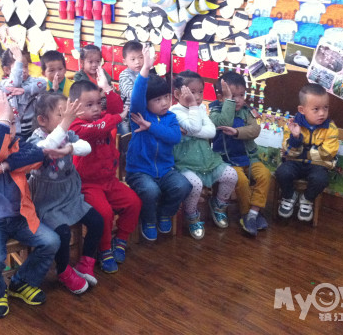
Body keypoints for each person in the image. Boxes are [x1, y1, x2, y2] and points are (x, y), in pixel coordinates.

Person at [0, 90, 59, 319]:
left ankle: (20, 283)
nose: (10, 130)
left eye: (12, 123)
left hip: (19, 218)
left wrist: (5, 166)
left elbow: (38, 156)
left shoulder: (17, 144)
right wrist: (5, 120)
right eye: (3, 123)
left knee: (51, 242)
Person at [27, 93, 103, 293]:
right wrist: (66, 124)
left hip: (69, 194)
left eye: (68, 115)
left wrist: (69, 148)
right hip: (46, 200)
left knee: (97, 221)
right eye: (61, 115)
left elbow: (86, 147)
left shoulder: (67, 134)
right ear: (42, 120)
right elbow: (46, 147)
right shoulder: (36, 139)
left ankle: (85, 263)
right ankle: (63, 271)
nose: (67, 119)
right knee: (62, 233)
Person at [69, 76, 141, 273]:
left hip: (109, 180)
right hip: (87, 185)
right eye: (89, 105)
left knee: (134, 202)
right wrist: (116, 118)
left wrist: (107, 88)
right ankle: (104, 249)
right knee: (105, 213)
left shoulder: (102, 119)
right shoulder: (75, 127)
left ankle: (121, 239)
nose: (96, 109)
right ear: (74, 107)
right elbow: (95, 130)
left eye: (98, 103)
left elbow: (116, 108)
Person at [125, 46, 192, 241]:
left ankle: (164, 213)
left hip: (165, 170)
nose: (164, 103)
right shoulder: (139, 115)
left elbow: (174, 137)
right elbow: (137, 95)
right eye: (157, 99)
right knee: (150, 190)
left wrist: (150, 127)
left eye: (166, 97)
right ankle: (149, 220)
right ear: (146, 103)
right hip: (139, 172)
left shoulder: (171, 117)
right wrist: (146, 67)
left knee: (183, 186)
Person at [169, 71, 239, 240]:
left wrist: (192, 130)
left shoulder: (200, 108)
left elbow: (211, 131)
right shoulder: (174, 112)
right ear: (177, 94)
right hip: (184, 161)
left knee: (231, 175)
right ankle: (191, 214)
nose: (198, 97)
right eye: (192, 92)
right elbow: (196, 127)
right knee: (195, 184)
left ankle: (219, 204)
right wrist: (194, 109)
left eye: (200, 92)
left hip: (205, 159)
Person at [209, 72, 272, 237]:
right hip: (227, 161)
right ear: (221, 97)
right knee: (241, 180)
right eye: (232, 96)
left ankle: (253, 213)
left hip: (249, 158)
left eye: (241, 95)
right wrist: (228, 104)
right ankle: (246, 214)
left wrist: (237, 132)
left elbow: (255, 130)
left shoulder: (247, 111)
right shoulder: (215, 110)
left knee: (265, 174)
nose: (237, 100)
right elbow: (223, 122)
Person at [276, 83, 339, 221]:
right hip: (294, 163)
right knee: (282, 172)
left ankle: (306, 199)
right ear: (302, 109)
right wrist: (296, 138)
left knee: (321, 179)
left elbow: (328, 153)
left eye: (325, 107)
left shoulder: (331, 128)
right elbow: (288, 151)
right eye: (316, 109)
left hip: (317, 166)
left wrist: (303, 153)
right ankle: (289, 196)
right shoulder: (293, 124)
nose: (322, 113)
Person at [0, 44, 47, 140]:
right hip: (14, 132)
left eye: (25, 66)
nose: (24, 70)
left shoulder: (31, 81)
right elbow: (15, 83)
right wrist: (18, 60)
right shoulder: (4, 84)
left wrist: (25, 89)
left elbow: (43, 83)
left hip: (32, 129)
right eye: (20, 67)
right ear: (7, 70)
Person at [117, 41, 144, 135]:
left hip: (142, 113)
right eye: (133, 59)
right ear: (125, 61)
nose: (138, 62)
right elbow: (132, 94)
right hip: (127, 114)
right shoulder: (124, 75)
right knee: (127, 137)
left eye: (141, 57)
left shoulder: (146, 72)